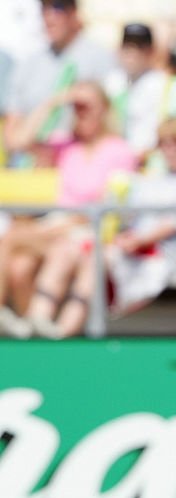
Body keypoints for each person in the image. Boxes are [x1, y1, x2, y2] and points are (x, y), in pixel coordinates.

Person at [22, 115, 176, 338]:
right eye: (164, 142)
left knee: (94, 258)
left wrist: (136, 240)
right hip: (131, 248)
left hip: (164, 257)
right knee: (65, 249)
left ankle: (64, 331)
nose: (170, 149)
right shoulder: (150, 179)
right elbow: (121, 213)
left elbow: (173, 224)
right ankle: (37, 318)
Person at [0, 81, 136, 338]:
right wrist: (54, 102)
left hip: (85, 227)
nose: (80, 113)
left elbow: (110, 202)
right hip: (59, 227)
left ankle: (33, 323)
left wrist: (69, 223)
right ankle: (33, 327)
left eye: (86, 107)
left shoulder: (119, 150)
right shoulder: (66, 146)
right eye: (76, 108)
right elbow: (18, 142)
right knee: (19, 266)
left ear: (104, 109)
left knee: (12, 238)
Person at [3, 0, 116, 168]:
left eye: (57, 7)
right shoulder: (28, 63)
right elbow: (11, 136)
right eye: (44, 9)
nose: (49, 17)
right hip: (27, 168)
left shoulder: (102, 59)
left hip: (82, 167)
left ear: (73, 12)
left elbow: (113, 124)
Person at [104, 23, 176, 160]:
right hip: (117, 161)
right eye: (127, 46)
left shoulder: (167, 84)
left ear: (151, 51)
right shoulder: (111, 83)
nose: (133, 53)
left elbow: (175, 129)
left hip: (154, 162)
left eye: (140, 47)